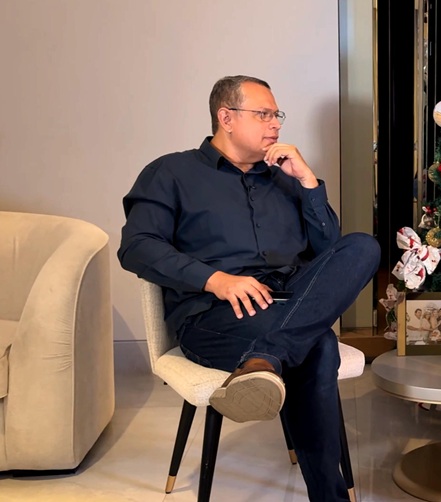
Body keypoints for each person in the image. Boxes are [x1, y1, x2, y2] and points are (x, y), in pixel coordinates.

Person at [118, 75, 380, 501]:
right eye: (263, 114)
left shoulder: (285, 177)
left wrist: (308, 182)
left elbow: (331, 254)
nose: (275, 124)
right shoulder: (171, 172)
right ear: (226, 118)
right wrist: (216, 280)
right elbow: (137, 247)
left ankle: (266, 356)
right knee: (318, 346)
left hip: (288, 304)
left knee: (363, 245)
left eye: (277, 115)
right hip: (215, 315)